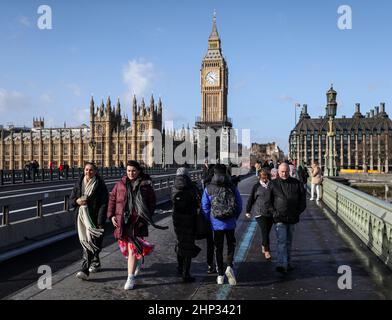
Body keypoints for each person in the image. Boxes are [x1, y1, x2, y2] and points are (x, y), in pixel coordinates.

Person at [107, 160, 168, 290]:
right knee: (126, 250)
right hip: (123, 221)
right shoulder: (120, 185)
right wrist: (111, 215)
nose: (131, 173)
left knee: (132, 249)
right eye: (128, 170)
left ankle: (130, 278)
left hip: (137, 222)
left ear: (139, 171)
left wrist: (145, 215)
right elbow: (112, 199)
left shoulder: (145, 185)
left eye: (133, 170)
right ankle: (137, 261)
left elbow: (152, 202)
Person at [202, 164, 243, 285]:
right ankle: (229, 266)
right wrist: (234, 217)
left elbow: (204, 207)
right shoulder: (231, 186)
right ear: (226, 173)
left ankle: (220, 275)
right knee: (231, 245)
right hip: (230, 222)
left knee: (218, 248)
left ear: (214, 173)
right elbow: (239, 205)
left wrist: (210, 219)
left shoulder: (208, 188)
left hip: (216, 223)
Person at [70, 162, 109, 280]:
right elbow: (72, 199)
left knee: (91, 242)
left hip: (94, 218)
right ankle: (95, 261)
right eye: (86, 170)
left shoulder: (100, 184)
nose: (88, 172)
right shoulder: (79, 183)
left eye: (91, 170)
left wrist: (100, 220)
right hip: (81, 219)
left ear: (96, 171)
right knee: (87, 241)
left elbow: (104, 203)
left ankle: (84, 270)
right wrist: (77, 201)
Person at [270, 163, 306, 273]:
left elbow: (302, 201)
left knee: (288, 241)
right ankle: (281, 264)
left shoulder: (297, 184)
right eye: (282, 172)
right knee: (282, 240)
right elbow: (268, 201)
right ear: (278, 172)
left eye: (286, 171)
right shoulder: (273, 184)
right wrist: (274, 213)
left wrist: (297, 212)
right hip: (279, 218)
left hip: (292, 217)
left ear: (289, 171)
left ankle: (288, 262)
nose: (284, 173)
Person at [171, 167, 201, 282]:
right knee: (188, 244)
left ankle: (179, 267)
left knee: (180, 241)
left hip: (177, 218)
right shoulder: (192, 187)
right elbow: (198, 201)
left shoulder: (173, 187)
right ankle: (186, 273)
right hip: (190, 218)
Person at [246, 168, 274, 260]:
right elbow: (251, 199)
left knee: (267, 232)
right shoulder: (256, 186)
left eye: (266, 176)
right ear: (260, 177)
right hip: (260, 213)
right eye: (262, 176)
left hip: (270, 212)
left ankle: (263, 244)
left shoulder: (272, 185)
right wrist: (248, 211)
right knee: (265, 231)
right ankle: (267, 251)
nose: (264, 178)